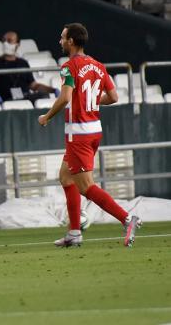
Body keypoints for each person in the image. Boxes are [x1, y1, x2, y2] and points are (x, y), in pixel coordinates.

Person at [37, 23, 141, 248]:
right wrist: (90, 102)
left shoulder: (68, 67)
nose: (60, 41)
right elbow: (113, 97)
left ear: (71, 41)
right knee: (66, 177)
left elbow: (65, 98)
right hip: (94, 131)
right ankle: (74, 232)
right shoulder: (98, 66)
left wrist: (47, 116)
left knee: (85, 186)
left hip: (79, 135)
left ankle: (127, 219)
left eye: (63, 37)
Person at [0, 31, 58, 103]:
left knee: (43, 96)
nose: (5, 43)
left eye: (9, 41)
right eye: (4, 41)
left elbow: (34, 85)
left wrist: (53, 90)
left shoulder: (23, 63)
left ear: (17, 44)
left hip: (25, 98)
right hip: (6, 100)